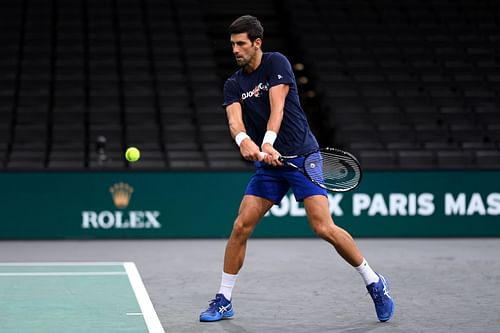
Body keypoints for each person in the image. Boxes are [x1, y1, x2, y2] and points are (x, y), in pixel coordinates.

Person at [199, 15, 395, 323]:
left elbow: (278, 107)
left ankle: (374, 282)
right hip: (270, 167)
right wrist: (242, 141)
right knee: (240, 227)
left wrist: (267, 142)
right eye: (232, 44)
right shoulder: (233, 83)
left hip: (304, 156)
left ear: (256, 43)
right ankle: (224, 300)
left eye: (241, 44)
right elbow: (234, 121)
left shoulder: (277, 63)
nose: (235, 50)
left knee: (323, 228)